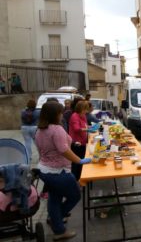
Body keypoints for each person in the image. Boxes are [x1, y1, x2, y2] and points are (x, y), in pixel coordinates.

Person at [35, 101, 91, 240]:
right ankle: (57, 222)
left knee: (55, 197)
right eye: (60, 112)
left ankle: (57, 224)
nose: (62, 115)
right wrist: (79, 160)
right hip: (58, 171)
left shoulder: (40, 129)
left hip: (44, 170)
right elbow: (63, 150)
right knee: (75, 195)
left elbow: (52, 146)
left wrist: (72, 142)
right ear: (55, 114)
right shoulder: (56, 129)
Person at [68, 100, 89, 180]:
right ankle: (75, 180)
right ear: (81, 108)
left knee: (81, 162)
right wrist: (87, 130)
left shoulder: (83, 116)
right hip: (76, 143)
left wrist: (89, 128)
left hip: (82, 142)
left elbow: (85, 126)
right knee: (76, 163)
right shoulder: (75, 116)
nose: (86, 111)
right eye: (85, 109)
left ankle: (80, 178)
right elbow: (76, 129)